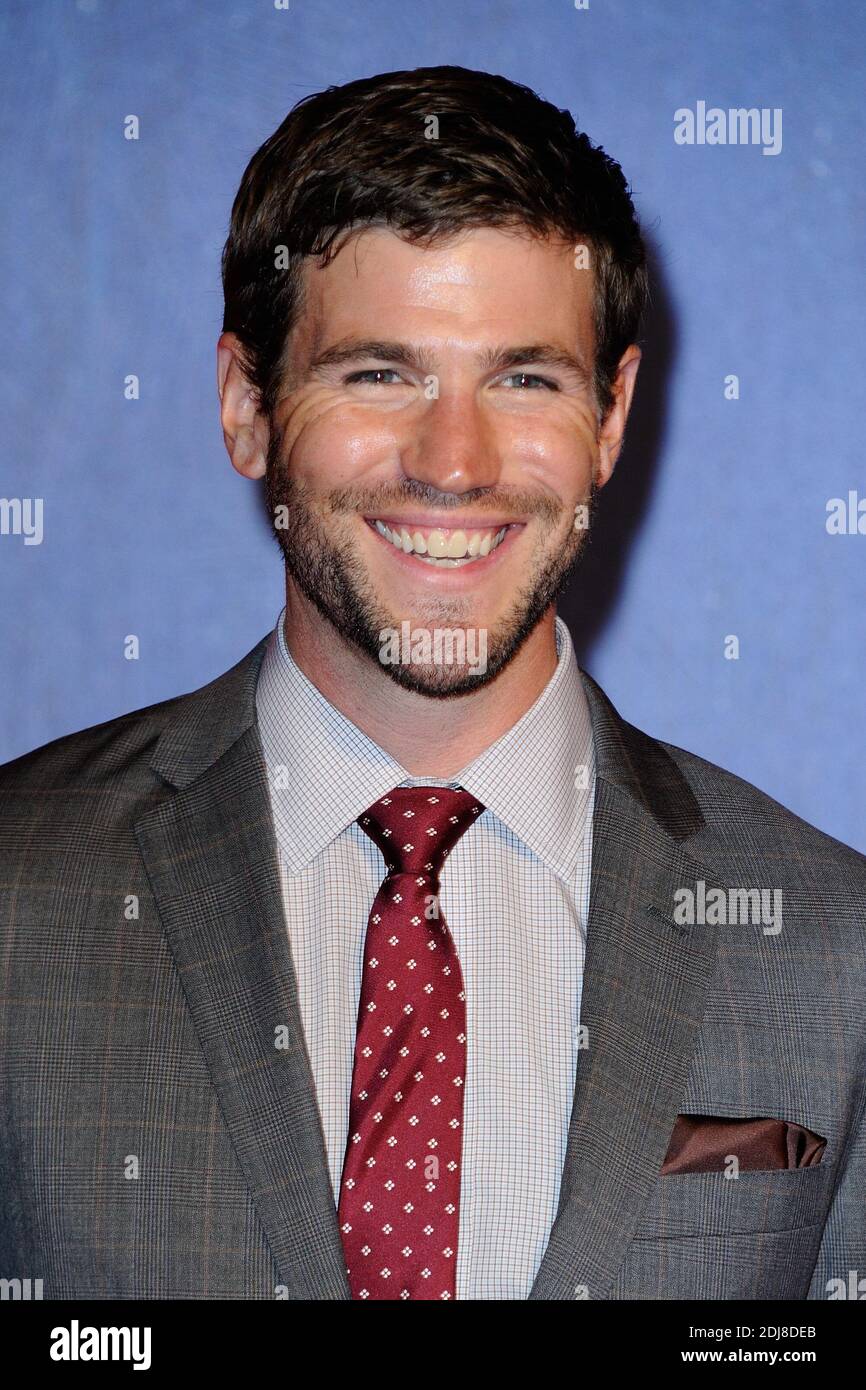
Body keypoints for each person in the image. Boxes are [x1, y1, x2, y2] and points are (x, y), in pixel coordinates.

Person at [1, 65, 863, 1302]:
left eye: (524, 379)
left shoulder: (837, 954)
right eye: (376, 373)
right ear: (246, 405)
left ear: (610, 418)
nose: (452, 462)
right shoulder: (18, 899)